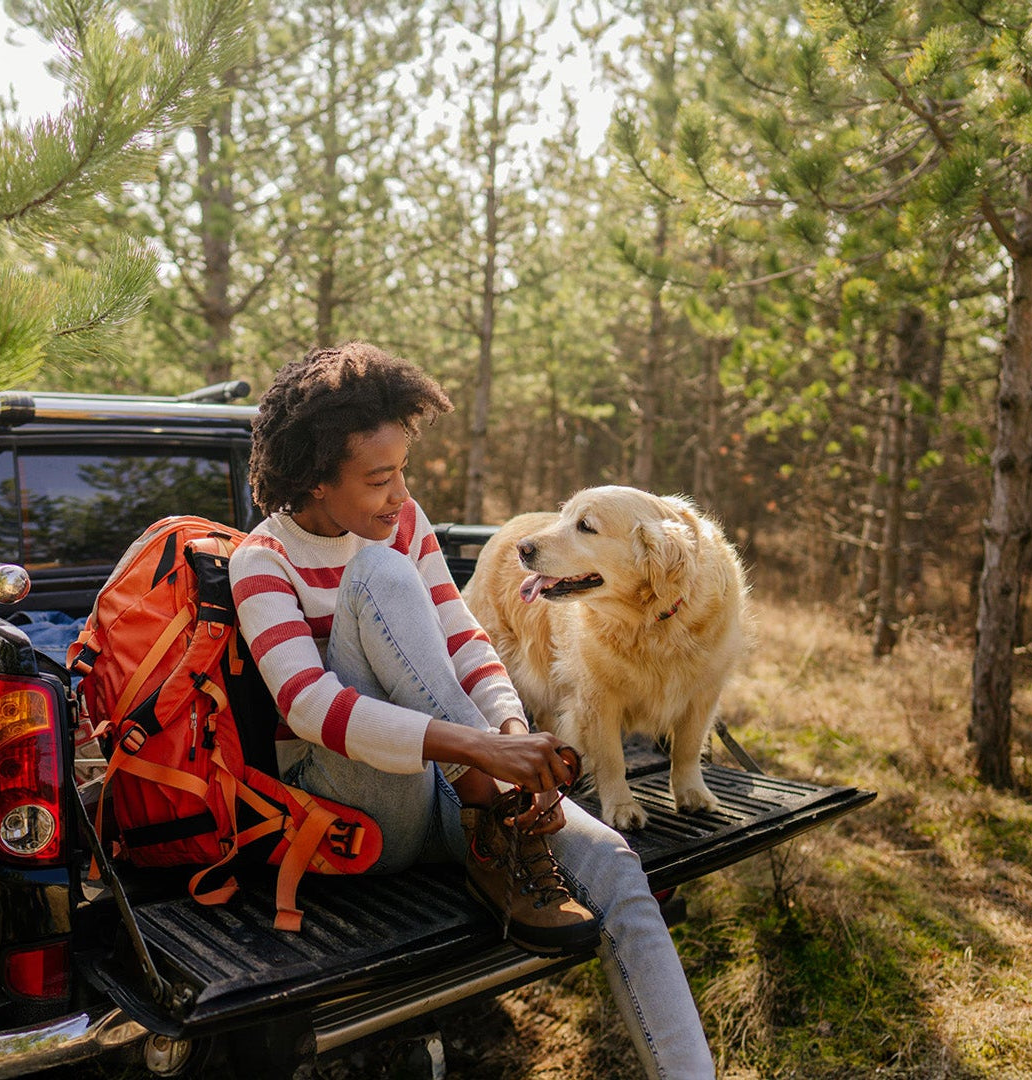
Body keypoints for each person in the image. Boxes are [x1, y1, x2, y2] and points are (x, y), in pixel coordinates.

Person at [228, 342, 716, 1079]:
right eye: (379, 479)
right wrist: (483, 752)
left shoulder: (405, 517)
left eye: (403, 473)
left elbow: (462, 637)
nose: (400, 496)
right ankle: (493, 807)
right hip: (360, 806)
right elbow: (308, 707)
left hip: (465, 793)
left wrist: (512, 728)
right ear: (316, 481)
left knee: (618, 867)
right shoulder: (262, 560)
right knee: (383, 575)